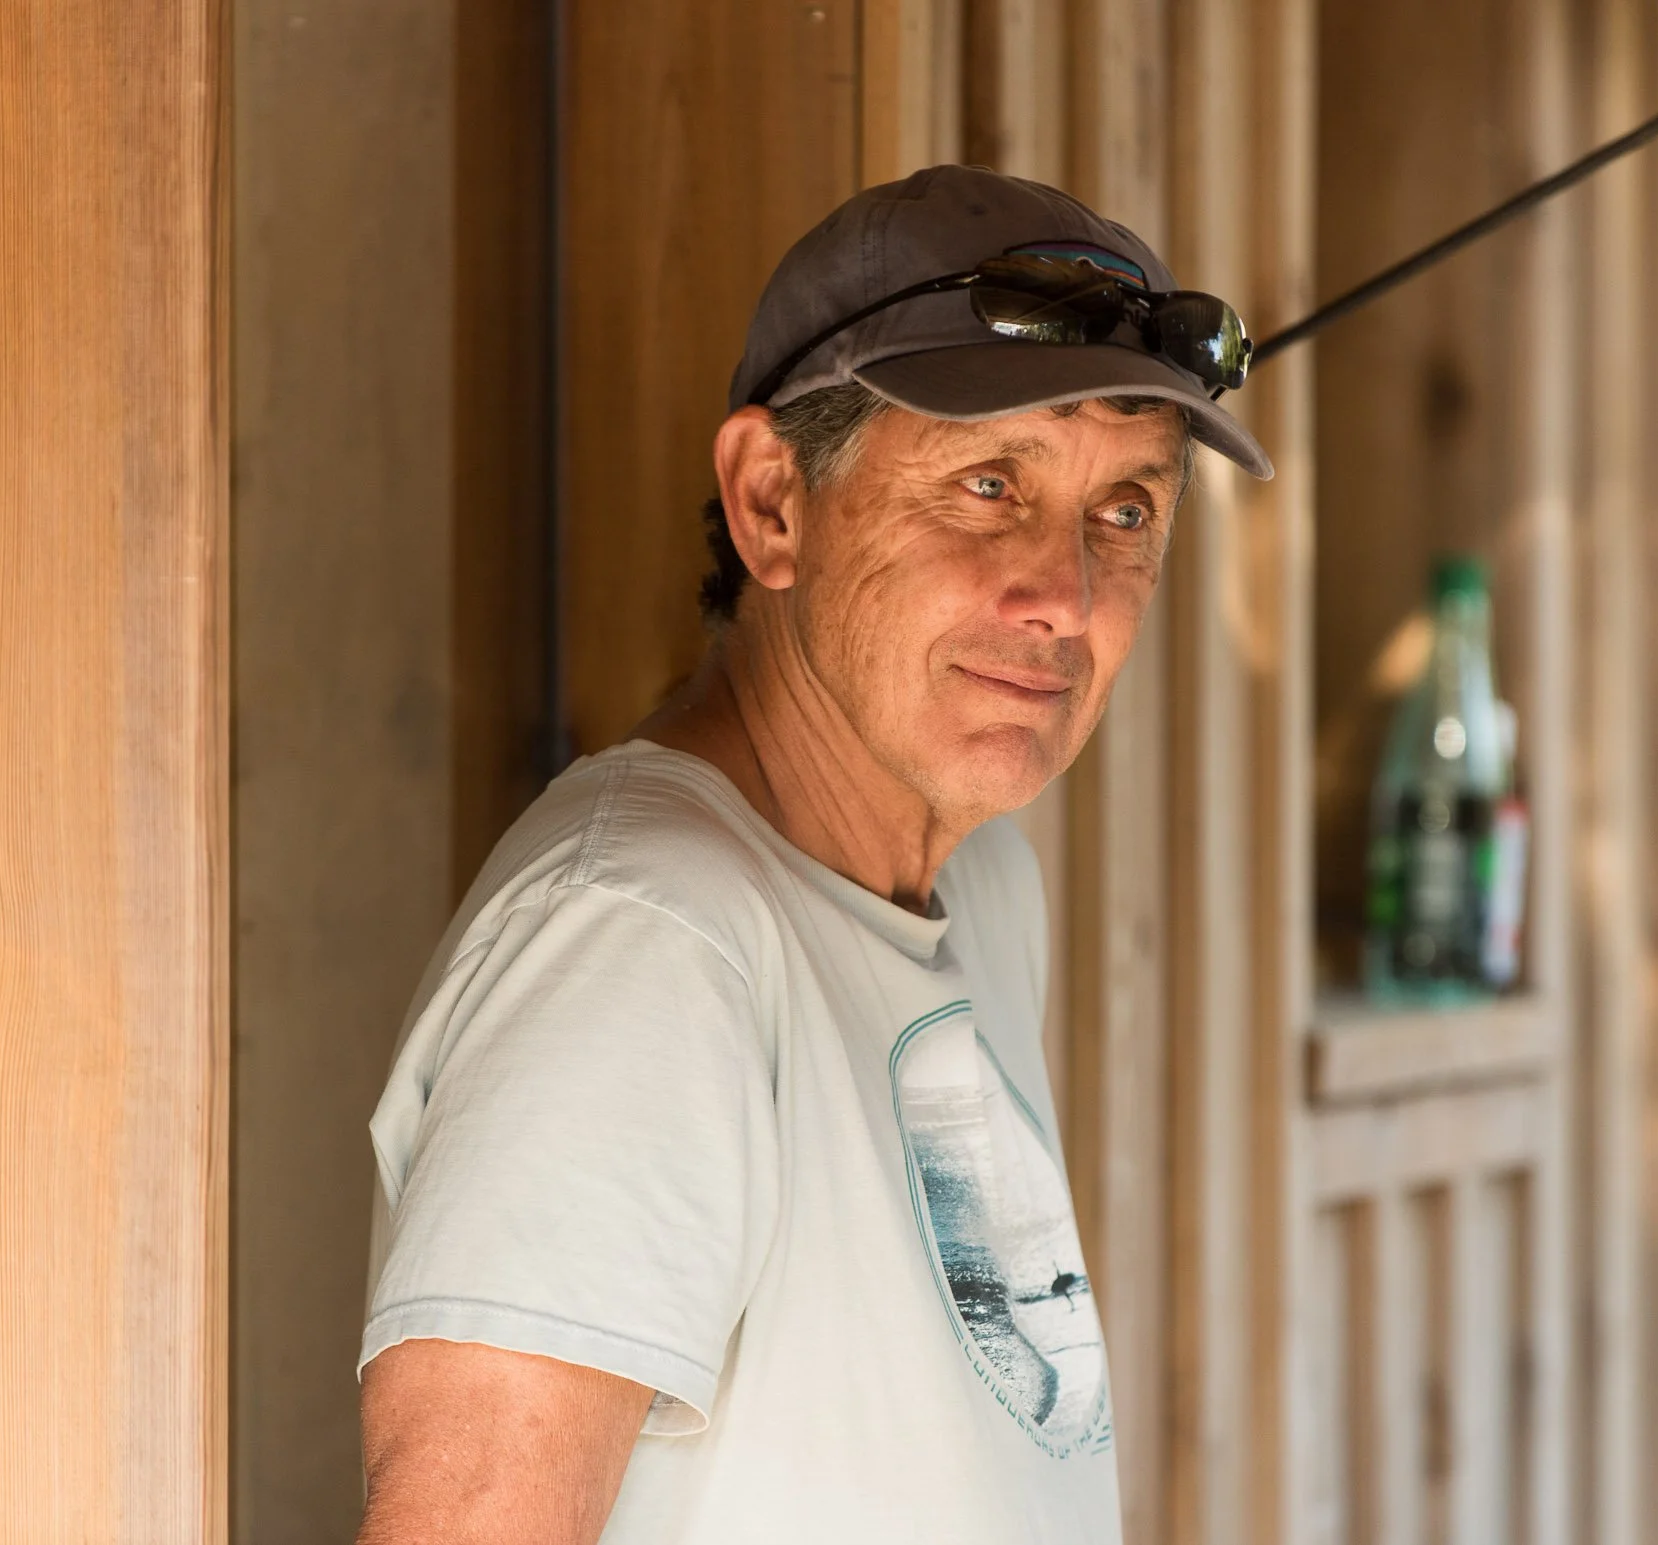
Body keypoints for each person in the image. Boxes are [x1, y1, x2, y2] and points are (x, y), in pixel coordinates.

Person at [354, 164, 1271, 1545]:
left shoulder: (979, 888)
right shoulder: (645, 942)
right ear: (774, 500)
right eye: (985, 484)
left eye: (1125, 512)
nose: (1063, 596)